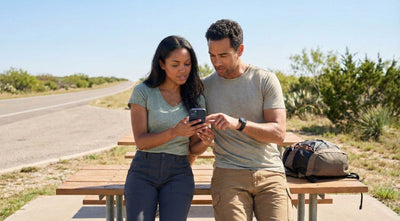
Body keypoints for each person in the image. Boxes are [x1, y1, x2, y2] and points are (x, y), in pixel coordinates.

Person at [203, 19, 293, 221]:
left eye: (223, 55)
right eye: (212, 55)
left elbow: (279, 134)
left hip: (270, 171)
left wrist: (239, 124)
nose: (216, 62)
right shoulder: (205, 87)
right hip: (228, 172)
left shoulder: (265, 80)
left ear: (240, 50)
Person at [124, 35, 214, 221]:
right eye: (175, 64)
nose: (183, 69)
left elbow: (193, 148)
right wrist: (175, 131)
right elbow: (141, 142)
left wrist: (205, 142)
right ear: (162, 64)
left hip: (179, 172)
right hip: (143, 170)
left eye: (187, 63)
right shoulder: (143, 92)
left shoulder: (196, 97)